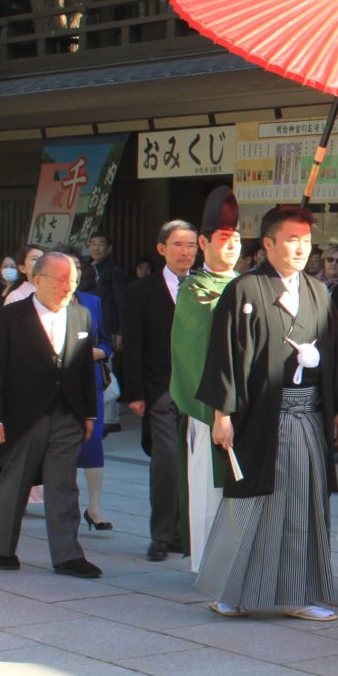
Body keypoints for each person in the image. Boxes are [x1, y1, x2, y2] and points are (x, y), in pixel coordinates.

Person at [195, 205, 338, 620]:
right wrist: (222, 415)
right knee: (251, 500)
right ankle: (230, 591)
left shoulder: (317, 292)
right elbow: (226, 356)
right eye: (291, 239)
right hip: (258, 417)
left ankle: (298, 593)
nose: (301, 248)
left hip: (307, 413)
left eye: (306, 240)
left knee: (305, 502)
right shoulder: (244, 291)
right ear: (268, 243)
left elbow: (335, 353)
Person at [0, 252, 101, 578]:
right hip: (22, 415)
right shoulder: (10, 317)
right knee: (15, 481)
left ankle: (67, 555)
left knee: (64, 484)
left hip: (67, 413)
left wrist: (89, 414)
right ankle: (1, 547)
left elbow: (83, 371)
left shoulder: (81, 316)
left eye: (73, 280)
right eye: (60, 279)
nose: (68, 287)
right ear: (37, 279)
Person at [169, 188, 241, 572]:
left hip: (249, 405)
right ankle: (211, 566)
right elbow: (194, 355)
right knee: (210, 490)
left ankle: (243, 563)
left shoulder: (251, 284)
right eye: (222, 240)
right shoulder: (195, 290)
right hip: (211, 406)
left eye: (236, 240)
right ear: (204, 243)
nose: (230, 248)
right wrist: (218, 409)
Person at [122, 219, 199, 561]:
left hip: (199, 390)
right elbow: (132, 345)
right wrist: (135, 392)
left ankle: (188, 532)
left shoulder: (205, 287)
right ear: (162, 249)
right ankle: (162, 534)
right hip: (160, 388)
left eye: (192, 245)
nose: (186, 252)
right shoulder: (141, 291)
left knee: (196, 461)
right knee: (166, 459)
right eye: (179, 245)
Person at [62, 249, 113, 532]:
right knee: (64, 449)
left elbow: (106, 340)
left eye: (78, 270)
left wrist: (101, 352)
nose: (75, 275)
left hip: (91, 384)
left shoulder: (93, 301)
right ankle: (66, 507)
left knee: (93, 446)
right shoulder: (47, 304)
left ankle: (95, 508)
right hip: (60, 386)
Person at [80, 232, 127, 349]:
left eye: (101, 244)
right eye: (93, 244)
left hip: (107, 328)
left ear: (109, 248)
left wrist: (121, 331)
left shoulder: (114, 271)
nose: (96, 248)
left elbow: (123, 303)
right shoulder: (83, 268)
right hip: (85, 324)